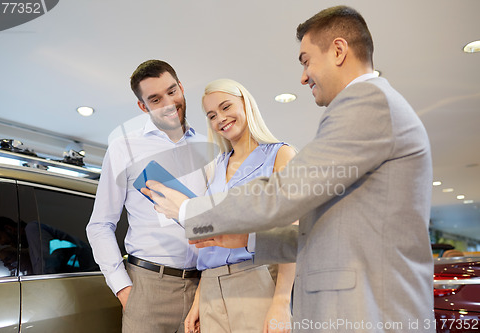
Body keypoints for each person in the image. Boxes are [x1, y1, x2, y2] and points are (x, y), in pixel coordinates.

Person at [144, 6, 435, 333]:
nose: (303, 76)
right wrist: (248, 239)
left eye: (306, 60)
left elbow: (284, 191)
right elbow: (320, 229)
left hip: (370, 311)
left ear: (338, 50)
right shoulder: (370, 105)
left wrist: (188, 210)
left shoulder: (369, 102)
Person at [86, 60, 207, 333]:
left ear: (182, 88)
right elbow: (100, 225)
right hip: (148, 287)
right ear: (143, 106)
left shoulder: (207, 147)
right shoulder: (123, 149)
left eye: (172, 91)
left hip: (203, 287)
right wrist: (123, 289)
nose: (169, 102)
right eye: (155, 98)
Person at [183, 79, 296, 333]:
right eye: (212, 115)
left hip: (255, 281)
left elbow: (291, 234)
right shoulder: (215, 168)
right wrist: (198, 301)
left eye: (225, 107)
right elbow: (208, 245)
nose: (220, 118)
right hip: (211, 287)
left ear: (246, 104)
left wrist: (281, 302)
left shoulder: (280, 155)